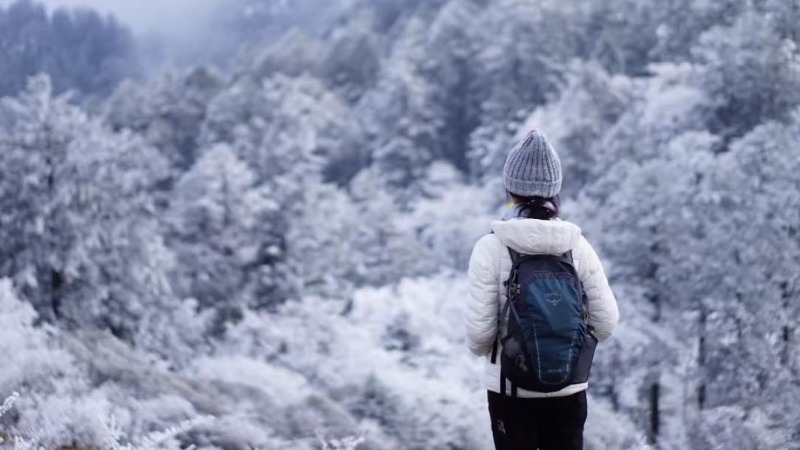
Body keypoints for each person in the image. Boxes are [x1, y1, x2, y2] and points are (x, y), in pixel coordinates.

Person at [465, 129, 619, 450]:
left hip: (511, 390)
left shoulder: (490, 248)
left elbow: (480, 338)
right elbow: (606, 323)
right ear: (554, 191)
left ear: (511, 189)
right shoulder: (578, 247)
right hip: (568, 389)